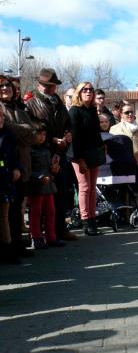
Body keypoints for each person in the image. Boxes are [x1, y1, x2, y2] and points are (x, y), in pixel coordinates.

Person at [26, 68, 76, 243]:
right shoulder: (31, 103)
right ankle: (38, 235)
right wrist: (51, 140)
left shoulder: (58, 102)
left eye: (54, 85)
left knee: (61, 193)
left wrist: (68, 136)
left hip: (59, 154)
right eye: (49, 85)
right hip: (40, 155)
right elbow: (33, 130)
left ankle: (58, 231)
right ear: (41, 84)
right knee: (40, 199)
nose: (52, 88)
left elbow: (68, 124)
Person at [0, 75, 35, 257]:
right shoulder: (1, 109)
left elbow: (33, 135)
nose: (5, 88)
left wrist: (23, 130)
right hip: (6, 166)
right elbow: (9, 131)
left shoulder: (19, 109)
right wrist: (25, 130)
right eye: (2, 86)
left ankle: (17, 241)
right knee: (6, 210)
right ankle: (9, 246)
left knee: (17, 208)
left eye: (8, 85)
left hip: (22, 164)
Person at [69, 82, 105, 236]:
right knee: (84, 187)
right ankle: (85, 220)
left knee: (92, 188)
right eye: (85, 89)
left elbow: (96, 133)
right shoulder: (74, 111)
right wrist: (79, 158)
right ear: (79, 92)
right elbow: (75, 138)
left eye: (91, 90)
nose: (88, 92)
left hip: (94, 154)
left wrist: (102, 146)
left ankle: (92, 218)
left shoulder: (92, 110)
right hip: (80, 155)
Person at [28, 124, 65, 249]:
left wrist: (55, 169)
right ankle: (36, 237)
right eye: (39, 134)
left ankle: (51, 237)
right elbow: (28, 169)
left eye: (44, 134)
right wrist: (38, 177)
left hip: (48, 184)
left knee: (50, 211)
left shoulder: (46, 149)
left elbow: (50, 167)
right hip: (36, 186)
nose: (41, 137)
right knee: (36, 212)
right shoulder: (29, 150)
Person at [109, 104, 138, 214]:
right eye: (127, 112)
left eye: (131, 112)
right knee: (124, 188)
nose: (130, 114)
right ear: (121, 114)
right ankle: (124, 212)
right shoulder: (114, 129)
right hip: (123, 164)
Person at [0, 104, 22, 263]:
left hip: (5, 180)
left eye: (1, 115)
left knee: (4, 217)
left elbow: (14, 155)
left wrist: (16, 168)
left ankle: (8, 251)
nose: (1, 118)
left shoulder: (7, 134)